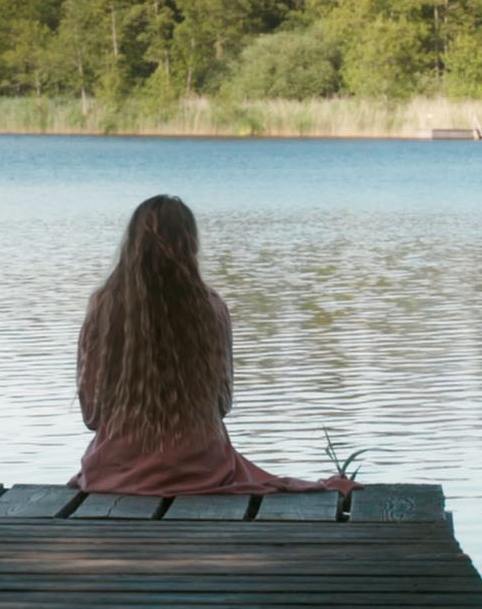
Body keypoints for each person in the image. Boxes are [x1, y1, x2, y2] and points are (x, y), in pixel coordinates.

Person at [73, 195, 354, 497]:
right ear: (191, 244)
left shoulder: (103, 308)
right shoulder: (211, 309)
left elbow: (92, 416)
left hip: (117, 470)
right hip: (201, 468)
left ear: (131, 245)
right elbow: (223, 405)